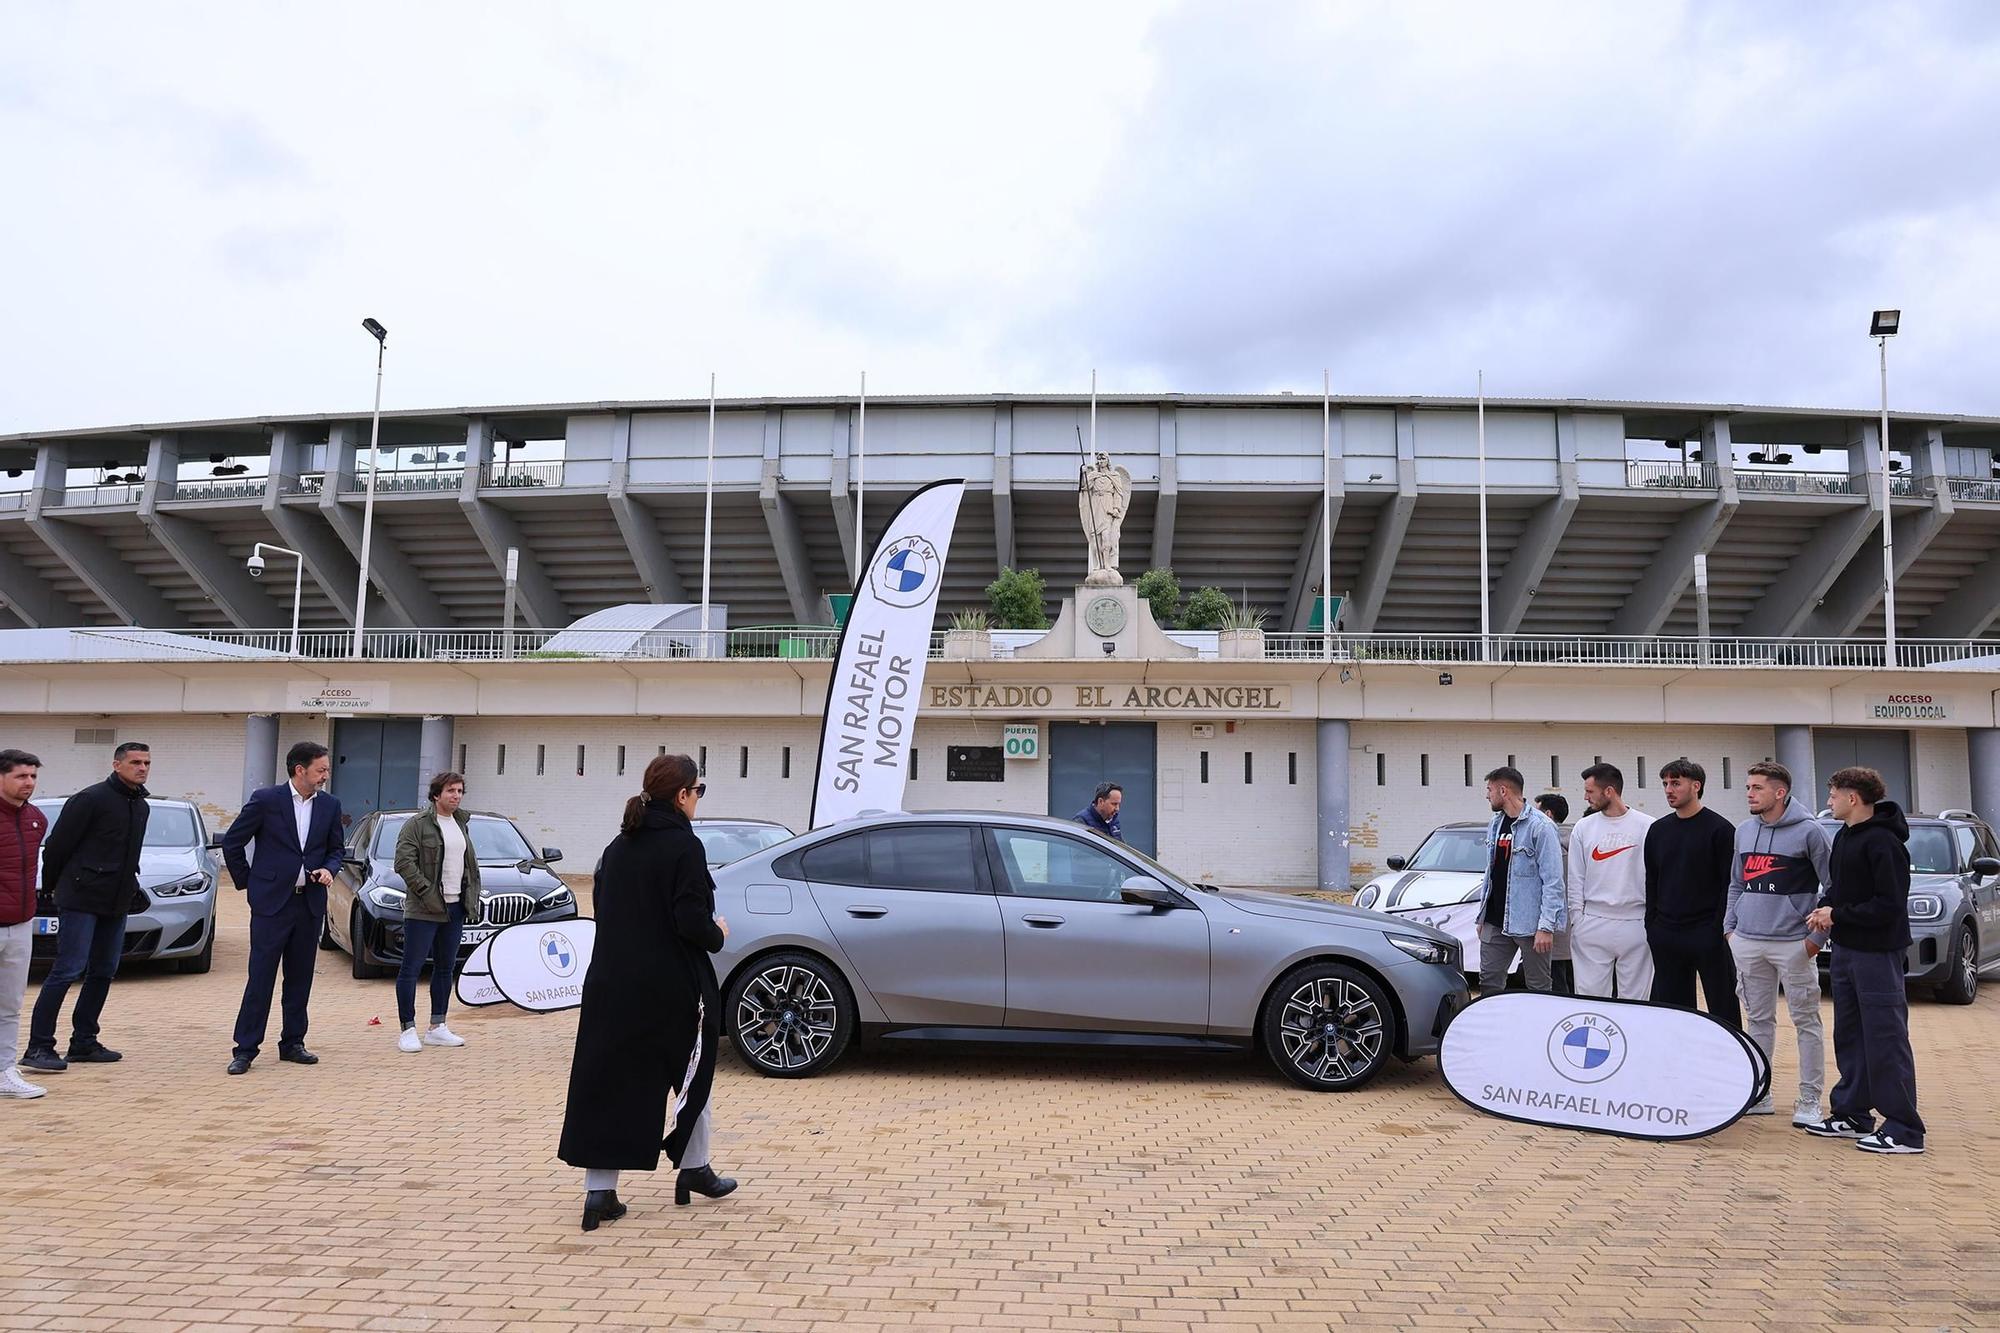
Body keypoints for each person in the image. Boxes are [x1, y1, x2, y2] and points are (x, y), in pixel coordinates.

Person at [559, 755, 738, 1230]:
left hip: (612, 983)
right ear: (681, 795)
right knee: (692, 1073)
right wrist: (718, 932)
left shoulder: (618, 846)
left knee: (610, 1083)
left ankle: (600, 1193)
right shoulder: (684, 846)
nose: (698, 798)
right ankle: (694, 1167)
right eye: (698, 790)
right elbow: (690, 921)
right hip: (672, 982)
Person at [1803, 767, 1925, 1154]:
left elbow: (1888, 907)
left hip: (1877, 954)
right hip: (1846, 951)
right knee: (1851, 1034)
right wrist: (1826, 906)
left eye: (1833, 794)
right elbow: (1838, 888)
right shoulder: (1845, 838)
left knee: (1885, 1039)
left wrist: (1837, 915)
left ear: (1852, 798)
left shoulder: (1885, 844)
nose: (1828, 802)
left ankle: (1905, 1129)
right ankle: (1853, 1113)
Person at [23, 741, 151, 1073]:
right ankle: (39, 1047)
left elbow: (128, 856)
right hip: (80, 898)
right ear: (116, 764)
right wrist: (51, 889)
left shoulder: (141, 806)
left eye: (146, 763)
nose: (142, 768)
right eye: (135, 762)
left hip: (116, 900)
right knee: (67, 969)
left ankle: (83, 1042)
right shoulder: (90, 799)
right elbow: (56, 847)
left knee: (104, 970)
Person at [221, 741, 344, 1076]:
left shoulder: (330, 805)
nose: (325, 776)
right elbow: (233, 842)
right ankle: (245, 1049)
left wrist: (329, 869)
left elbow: (336, 849)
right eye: (321, 770)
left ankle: (293, 1043)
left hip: (309, 904)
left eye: (327, 769)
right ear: (299, 770)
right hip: (271, 905)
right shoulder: (266, 800)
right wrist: (249, 882)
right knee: (260, 977)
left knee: (300, 978)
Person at [1725, 760, 1831, 1123]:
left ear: (1779, 792)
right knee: (1758, 1021)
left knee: (1806, 1021)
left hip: (1794, 944)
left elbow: (1832, 888)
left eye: (1757, 788)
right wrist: (1731, 929)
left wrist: (1815, 939)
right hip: (1748, 941)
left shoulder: (1810, 832)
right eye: (1748, 787)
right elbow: (1736, 883)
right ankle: (1760, 1092)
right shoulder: (1743, 830)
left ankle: (1810, 1099)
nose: (1750, 794)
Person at [391, 772, 484, 1054]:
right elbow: (403, 863)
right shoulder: (417, 825)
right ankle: (407, 1029)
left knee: (445, 968)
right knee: (412, 968)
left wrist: (471, 898)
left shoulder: (461, 824)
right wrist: (427, 893)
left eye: (459, 791)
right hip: (423, 909)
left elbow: (469, 866)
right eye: (450, 791)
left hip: (455, 908)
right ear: (436, 795)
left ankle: (437, 1026)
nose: (456, 796)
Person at [1643, 758, 1739, 1027]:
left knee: (1723, 1007)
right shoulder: (1658, 830)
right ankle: (1676, 1064)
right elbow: (1652, 881)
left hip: (1707, 934)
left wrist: (1717, 929)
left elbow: (1728, 886)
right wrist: (1652, 925)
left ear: (1696, 786)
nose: (1668, 790)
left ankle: (1729, 1063)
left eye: (1676, 783)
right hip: (1666, 933)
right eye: (1665, 784)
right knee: (1672, 1012)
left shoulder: (1720, 830)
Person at [1566, 763, 1655, 1000]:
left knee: (1636, 1001)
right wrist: (1578, 920)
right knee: (1590, 998)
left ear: (1609, 791)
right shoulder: (1583, 827)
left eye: (1590, 791)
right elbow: (1575, 877)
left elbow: (1656, 877)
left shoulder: (1648, 826)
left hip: (1636, 921)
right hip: (1593, 920)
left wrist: (1651, 920)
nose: (1585, 797)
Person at [1473, 766, 1565, 994]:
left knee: (1538, 987)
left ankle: (1537, 1029)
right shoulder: (1495, 823)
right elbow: (1491, 871)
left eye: (1490, 789)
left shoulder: (1541, 826)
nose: (1487, 795)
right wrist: (1482, 915)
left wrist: (1546, 927)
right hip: (1494, 922)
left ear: (1503, 791)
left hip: (1530, 925)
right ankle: (1495, 1028)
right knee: (1489, 984)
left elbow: (1553, 881)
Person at [1, 750, 50, 1099]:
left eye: (32, 776)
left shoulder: (36, 819)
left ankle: (5, 1071)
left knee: (11, 1004)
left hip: (20, 924)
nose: (29, 783)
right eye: (21, 776)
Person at [1532, 793, 1575, 994]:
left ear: (1547, 814)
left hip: (1553, 927)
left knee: (1557, 984)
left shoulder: (1553, 847)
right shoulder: (1575, 842)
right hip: (1572, 928)